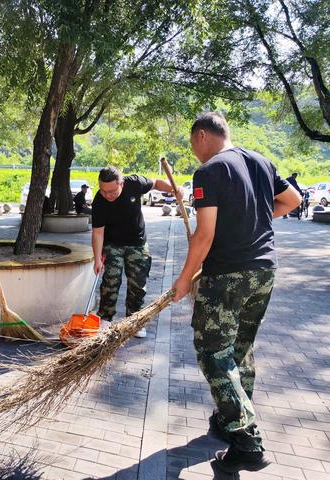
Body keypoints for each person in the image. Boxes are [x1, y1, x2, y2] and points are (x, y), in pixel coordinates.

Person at [171, 113, 301, 473]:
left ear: (201, 136)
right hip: (264, 271)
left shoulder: (210, 171)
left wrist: (184, 280)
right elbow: (293, 200)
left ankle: (247, 441)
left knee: (213, 353)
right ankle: (229, 419)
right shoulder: (260, 160)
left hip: (227, 274)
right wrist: (255, 223)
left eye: (192, 143)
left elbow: (204, 235)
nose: (195, 152)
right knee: (240, 350)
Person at [92, 166, 182, 339]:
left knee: (138, 284)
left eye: (112, 191)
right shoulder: (99, 201)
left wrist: (174, 189)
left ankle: (134, 321)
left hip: (137, 243)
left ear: (122, 183)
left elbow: (155, 183)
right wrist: (97, 259)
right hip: (113, 244)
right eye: (103, 191)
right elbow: (98, 233)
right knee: (111, 280)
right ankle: (105, 318)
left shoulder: (134, 183)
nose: (108, 195)